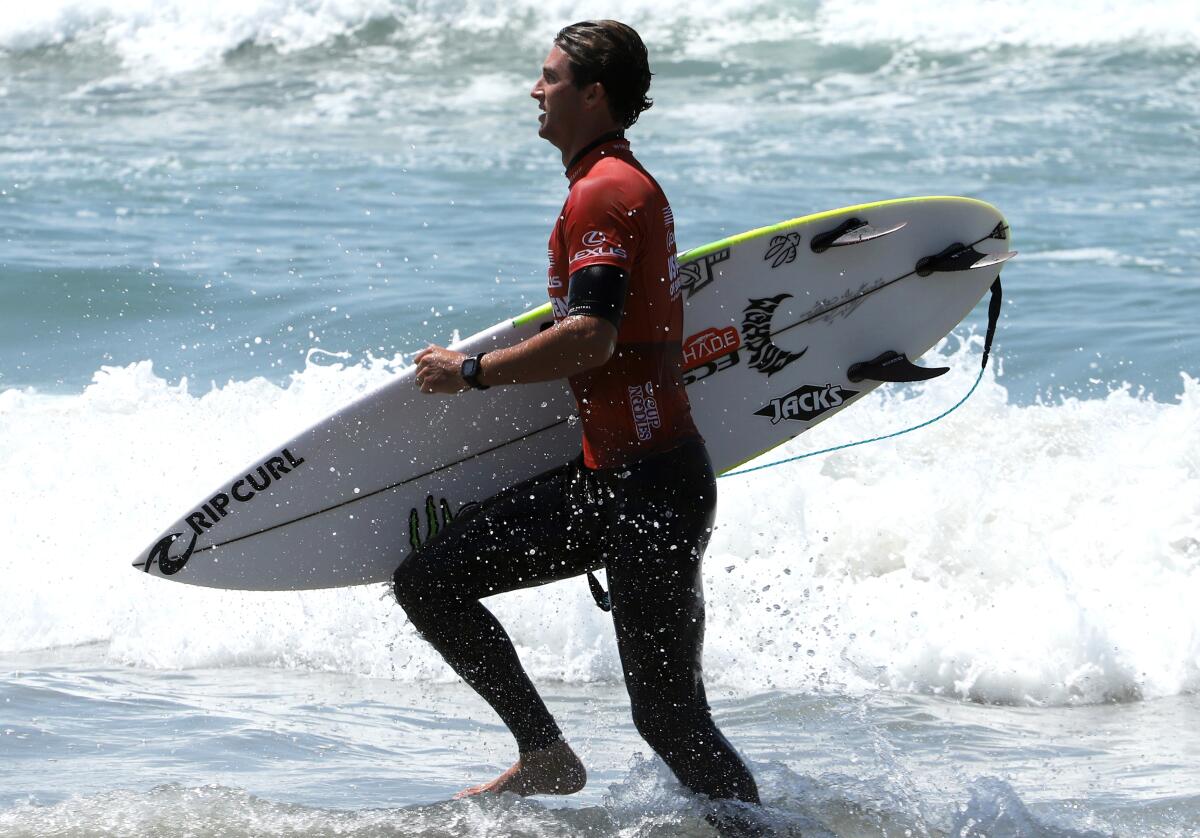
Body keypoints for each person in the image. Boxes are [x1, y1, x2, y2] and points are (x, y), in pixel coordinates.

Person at [396, 19, 760, 811]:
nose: (536, 89)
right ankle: (545, 754)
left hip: (649, 492)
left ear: (594, 94)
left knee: (671, 719)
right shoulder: (613, 185)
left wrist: (472, 372)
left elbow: (591, 336)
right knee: (430, 580)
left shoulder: (605, 194)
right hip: (617, 481)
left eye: (551, 77)